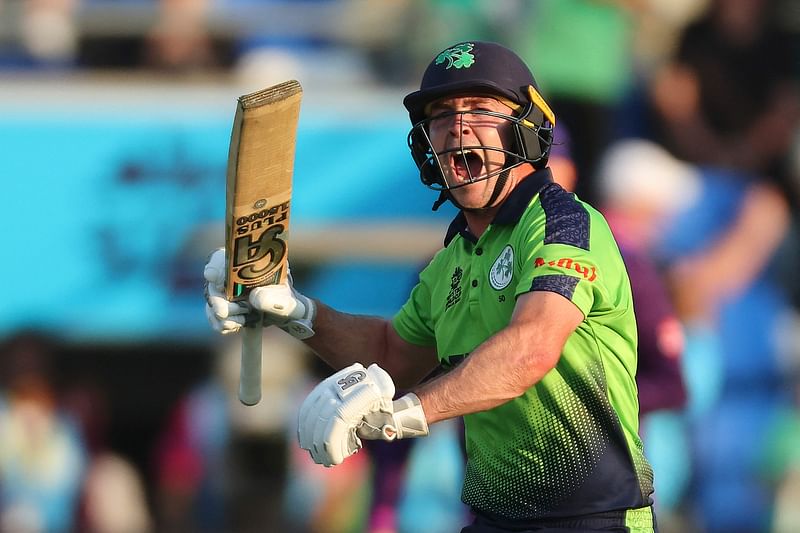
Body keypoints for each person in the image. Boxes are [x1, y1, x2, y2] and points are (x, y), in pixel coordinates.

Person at [204, 41, 657, 532]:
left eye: (482, 109)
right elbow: (391, 355)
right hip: (494, 519)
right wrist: (296, 313)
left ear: (527, 127)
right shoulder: (452, 260)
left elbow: (531, 348)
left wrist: (406, 414)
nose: (459, 126)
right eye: (442, 115)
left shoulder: (563, 223)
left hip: (597, 519)